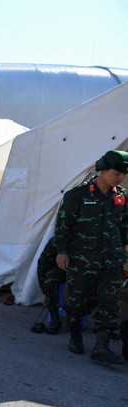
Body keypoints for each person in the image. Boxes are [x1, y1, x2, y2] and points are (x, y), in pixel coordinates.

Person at [55, 150, 128, 364]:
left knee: (110, 300)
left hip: (112, 259)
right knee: (77, 301)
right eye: (116, 173)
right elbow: (63, 226)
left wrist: (120, 250)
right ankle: (75, 335)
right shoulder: (78, 194)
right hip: (83, 259)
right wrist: (61, 251)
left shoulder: (121, 196)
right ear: (103, 170)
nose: (120, 177)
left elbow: (124, 226)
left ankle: (101, 346)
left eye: (123, 174)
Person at [35, 237, 67, 334]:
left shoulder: (89, 239)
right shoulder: (57, 241)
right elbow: (42, 266)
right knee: (50, 280)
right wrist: (45, 292)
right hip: (65, 269)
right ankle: (55, 319)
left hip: (84, 272)